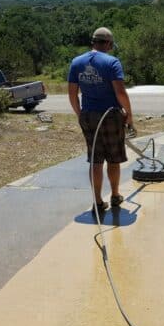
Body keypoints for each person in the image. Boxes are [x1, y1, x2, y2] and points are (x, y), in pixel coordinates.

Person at [68, 27, 133, 212]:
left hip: (88, 115)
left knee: (95, 160)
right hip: (110, 115)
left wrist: (80, 114)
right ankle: (114, 195)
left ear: (93, 42)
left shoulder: (76, 62)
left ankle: (97, 201)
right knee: (113, 158)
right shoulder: (112, 62)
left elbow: (72, 94)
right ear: (109, 44)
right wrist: (129, 116)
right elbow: (120, 92)